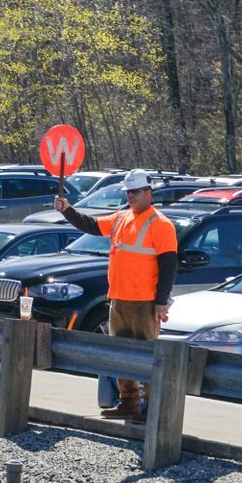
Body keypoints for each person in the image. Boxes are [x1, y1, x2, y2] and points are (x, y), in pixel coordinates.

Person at [53, 168, 177, 421]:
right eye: (128, 192)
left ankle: (151, 407)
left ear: (148, 193)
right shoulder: (122, 218)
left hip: (144, 302)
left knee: (146, 356)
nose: (130, 195)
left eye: (134, 191)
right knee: (120, 355)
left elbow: (168, 265)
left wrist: (161, 302)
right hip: (119, 299)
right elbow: (92, 225)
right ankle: (128, 402)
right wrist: (67, 210)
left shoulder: (161, 224)